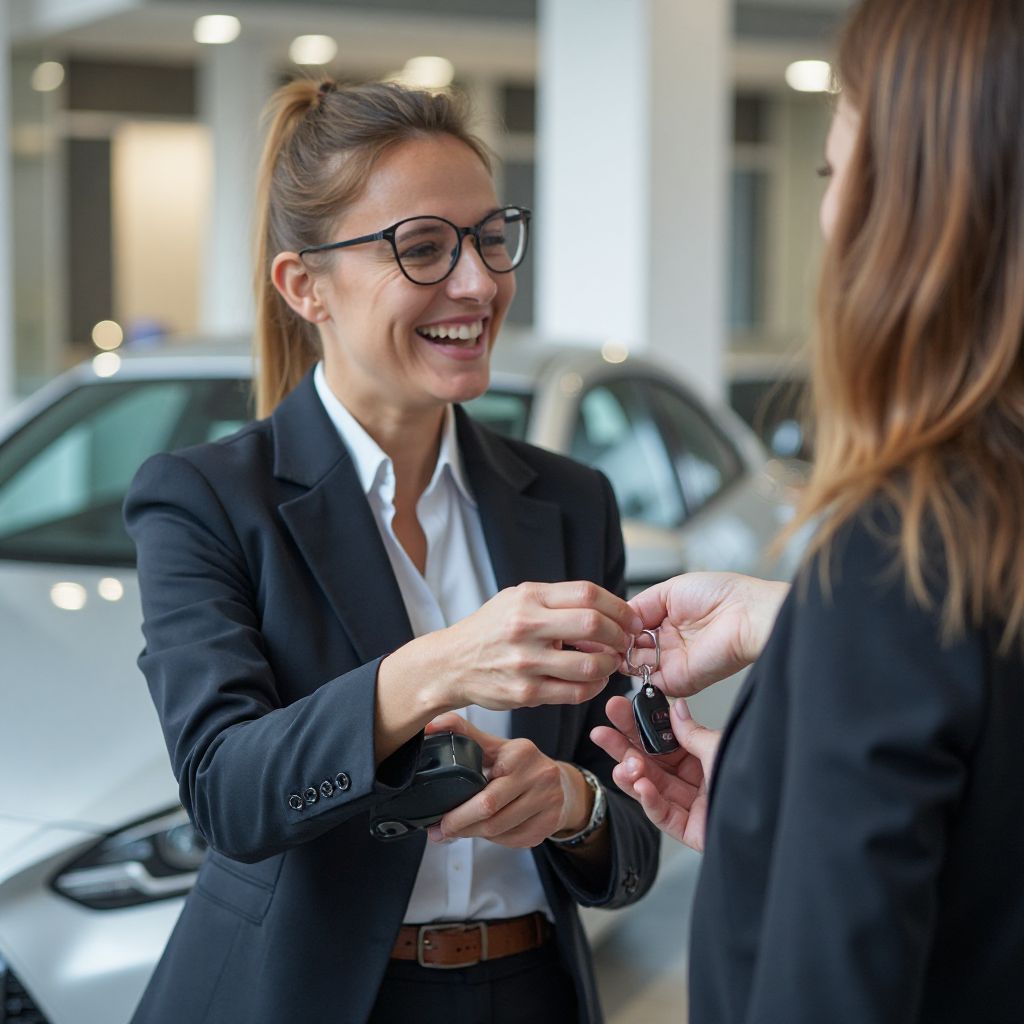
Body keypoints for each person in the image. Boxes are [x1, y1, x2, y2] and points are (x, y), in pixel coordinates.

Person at [123, 79, 659, 1024]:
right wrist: (439, 665)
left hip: (529, 990)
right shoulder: (206, 499)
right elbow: (225, 794)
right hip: (304, 997)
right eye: (423, 249)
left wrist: (571, 803)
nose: (479, 283)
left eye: (492, 238)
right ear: (304, 286)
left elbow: (637, 823)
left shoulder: (573, 502)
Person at [593, 0, 1024, 1021]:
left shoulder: (904, 551)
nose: (827, 216)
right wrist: (767, 810)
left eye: (833, 175)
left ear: (911, 205)